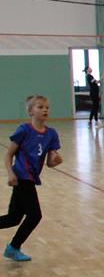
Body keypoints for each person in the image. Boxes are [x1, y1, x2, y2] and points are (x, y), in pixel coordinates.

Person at [3, 95, 62, 262]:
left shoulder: (51, 134)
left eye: (47, 107)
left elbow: (50, 162)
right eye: (40, 107)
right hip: (22, 177)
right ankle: (13, 248)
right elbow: (8, 154)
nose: (45, 110)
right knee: (35, 215)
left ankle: (13, 249)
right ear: (30, 111)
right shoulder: (24, 130)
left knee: (13, 218)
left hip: (30, 178)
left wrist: (57, 160)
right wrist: (10, 173)